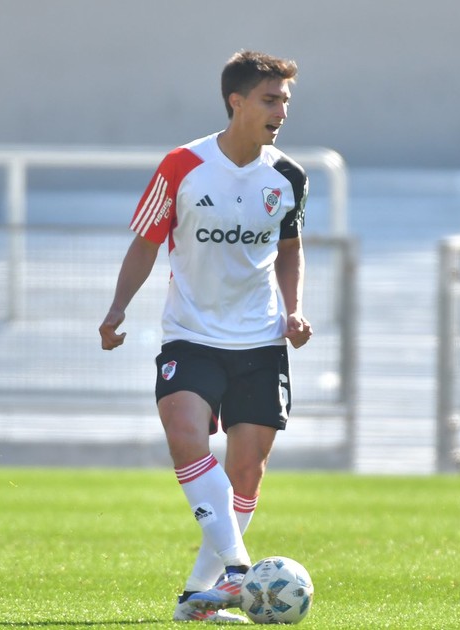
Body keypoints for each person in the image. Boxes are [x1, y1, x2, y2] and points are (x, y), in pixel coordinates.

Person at [99, 50, 312, 624]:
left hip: (260, 341)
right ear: (236, 102)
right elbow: (146, 242)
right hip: (191, 335)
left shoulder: (288, 176)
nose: (281, 112)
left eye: (285, 101)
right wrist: (117, 309)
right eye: (270, 100)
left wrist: (294, 311)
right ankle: (239, 571)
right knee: (185, 435)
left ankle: (197, 596)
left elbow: (290, 251)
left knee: (246, 471)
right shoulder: (182, 166)